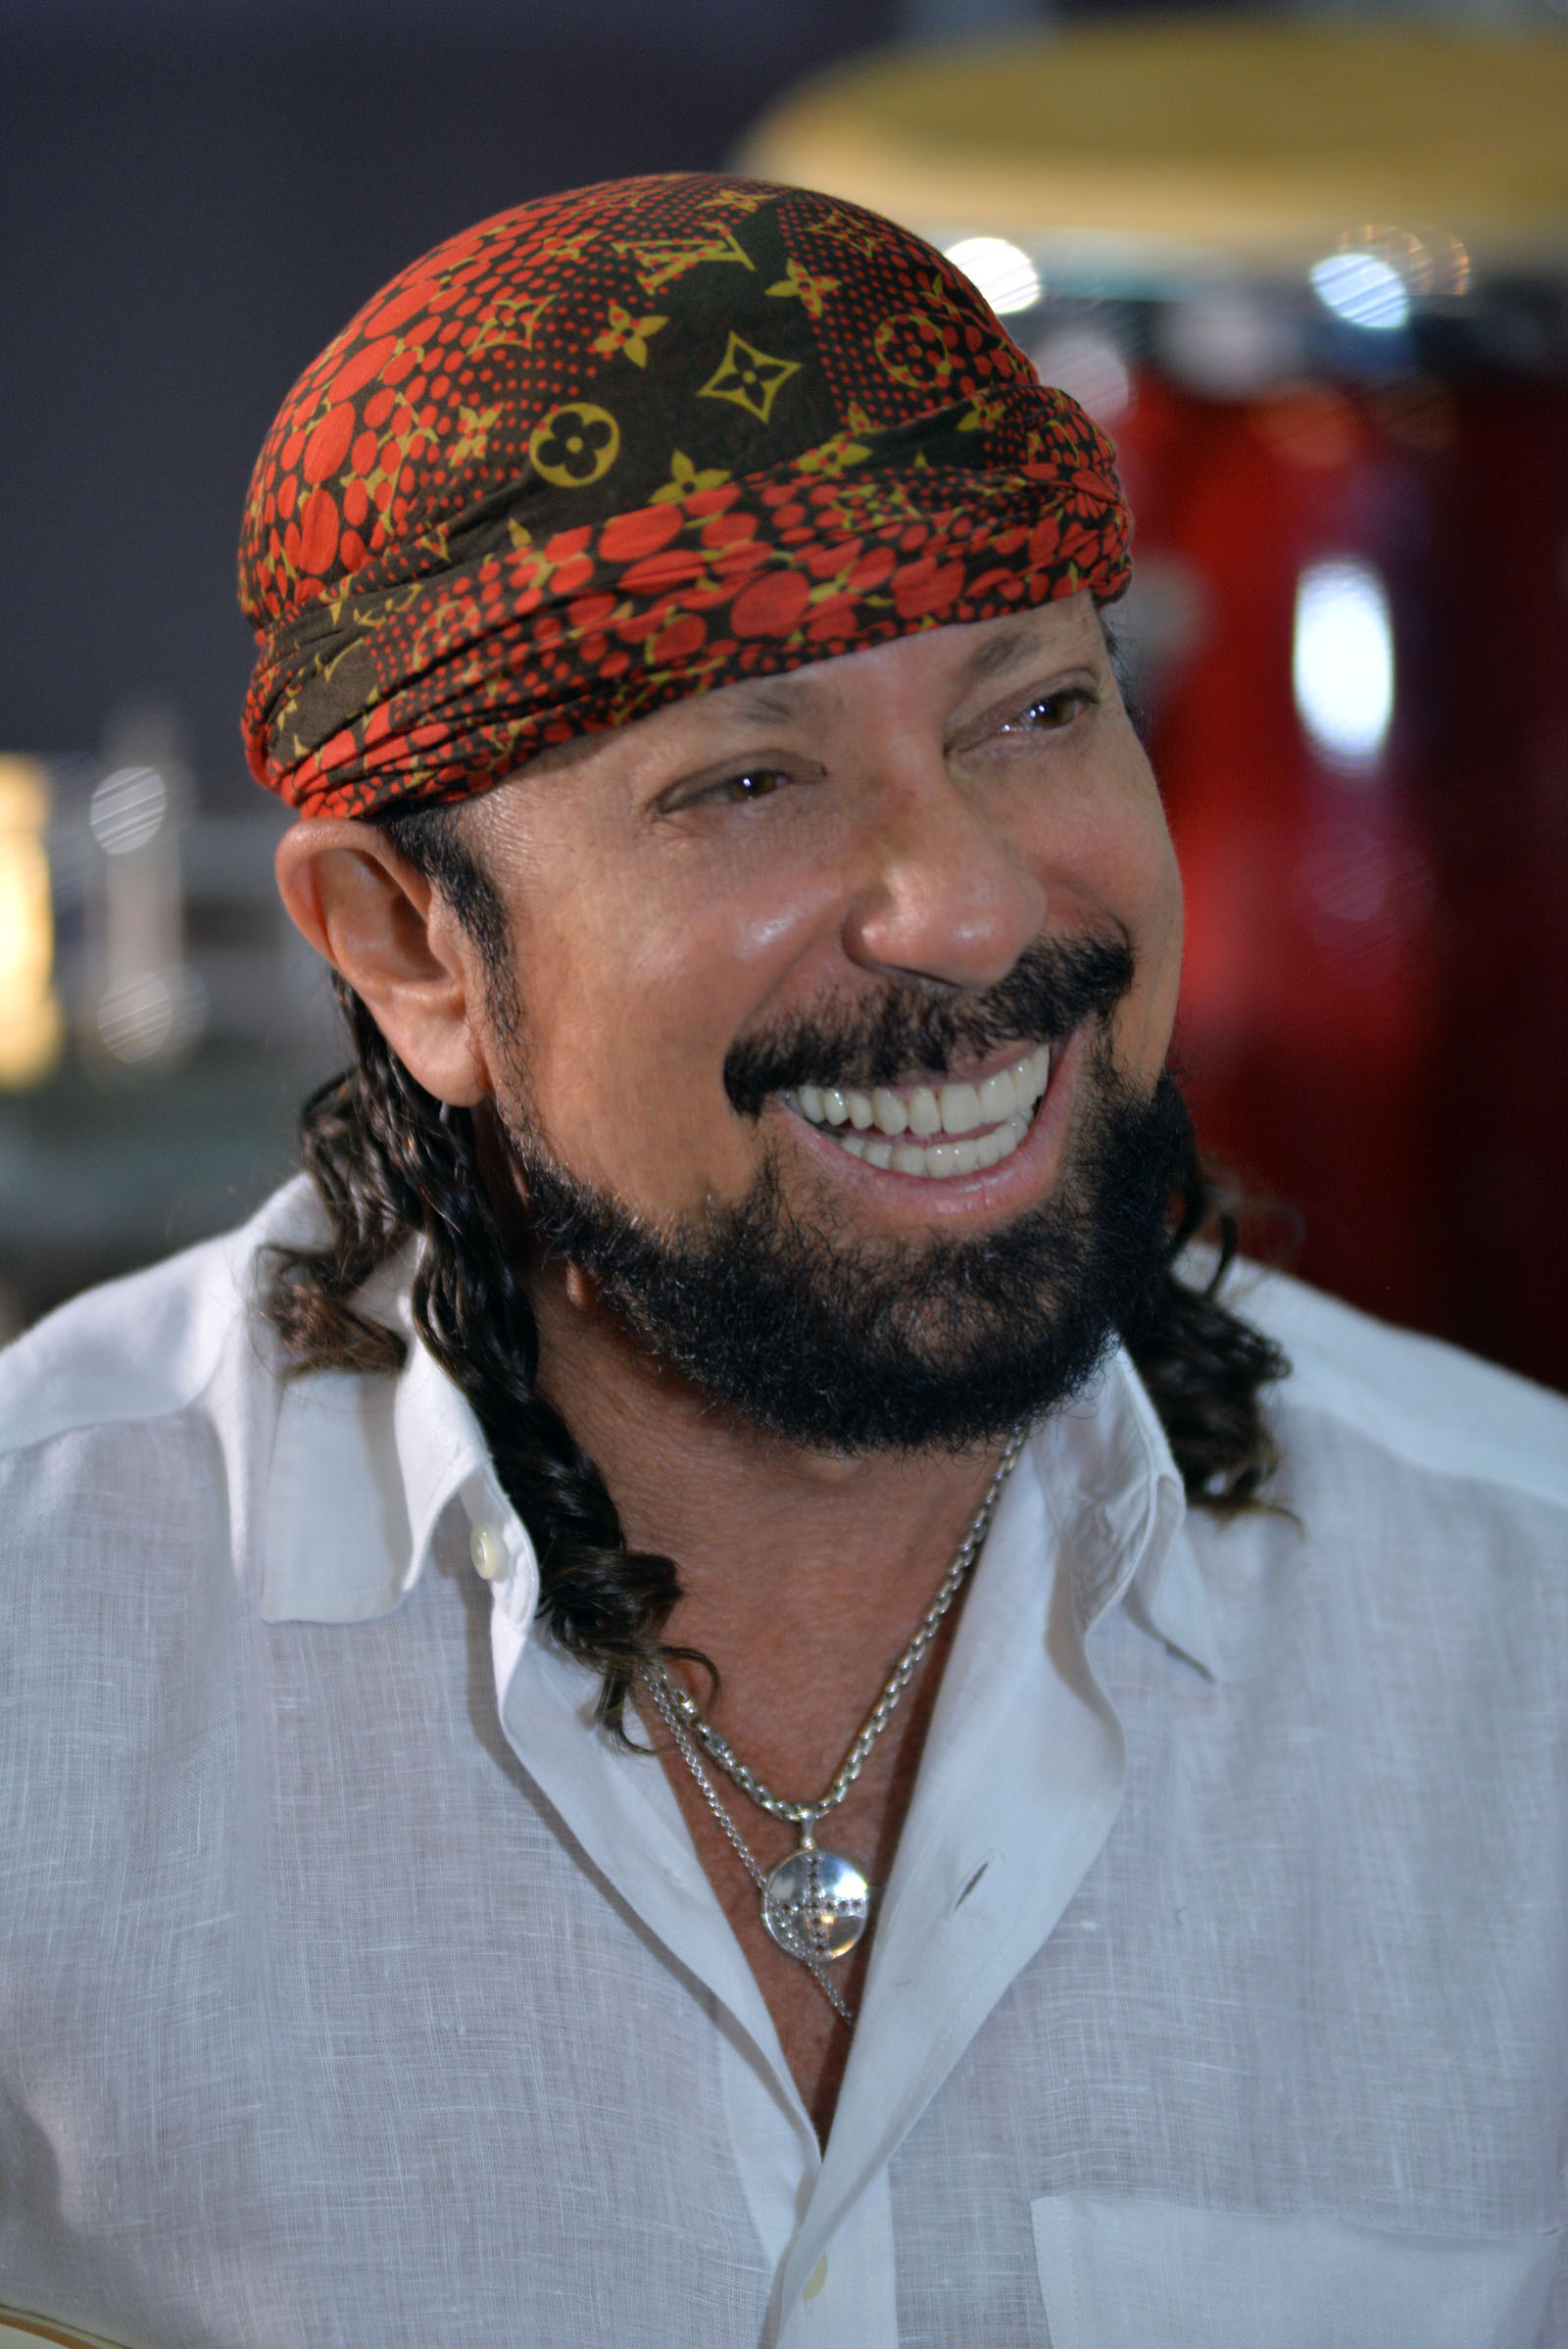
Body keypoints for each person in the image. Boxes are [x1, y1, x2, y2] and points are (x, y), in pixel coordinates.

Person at [1, 173, 1565, 2349]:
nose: (972, 906)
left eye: (1034, 712)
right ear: (409, 945)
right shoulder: (45, 1648)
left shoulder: (1523, 1634)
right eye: (750, 777)